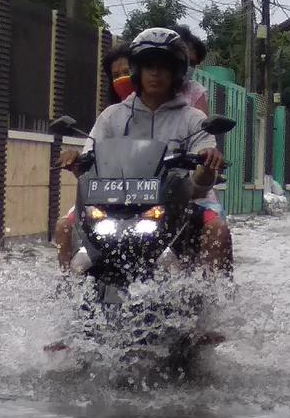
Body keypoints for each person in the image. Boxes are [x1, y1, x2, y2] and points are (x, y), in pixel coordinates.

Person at [55, 27, 231, 274]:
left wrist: (207, 165)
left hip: (181, 203)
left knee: (217, 230)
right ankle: (67, 292)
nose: (156, 73)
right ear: (138, 70)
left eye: (164, 66)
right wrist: (76, 162)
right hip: (114, 204)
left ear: (177, 71)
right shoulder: (112, 116)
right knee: (64, 226)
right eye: (149, 66)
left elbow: (201, 184)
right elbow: (89, 168)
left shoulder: (193, 119)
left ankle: (214, 297)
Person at [173, 25, 210, 113]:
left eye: (192, 64)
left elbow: (202, 125)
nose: (187, 67)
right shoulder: (141, 87)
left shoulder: (196, 93)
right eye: (183, 60)